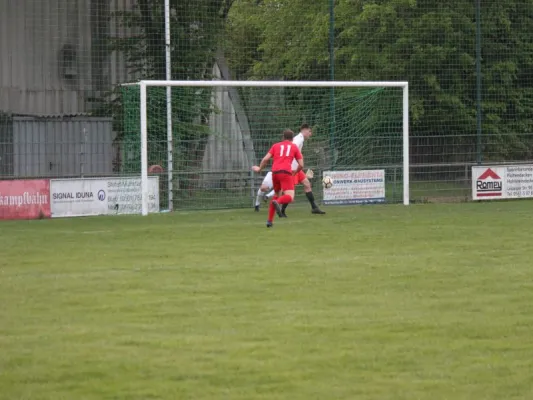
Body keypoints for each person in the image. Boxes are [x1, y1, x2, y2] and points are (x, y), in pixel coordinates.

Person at [254, 124, 325, 216]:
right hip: (291, 169)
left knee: (307, 184)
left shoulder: (300, 139)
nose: (310, 134)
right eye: (310, 132)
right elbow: (290, 150)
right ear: (305, 130)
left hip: (296, 168)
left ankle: (314, 207)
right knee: (289, 191)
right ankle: (281, 210)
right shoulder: (298, 139)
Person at [252, 129, 304, 228]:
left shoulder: (275, 146)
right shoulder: (294, 147)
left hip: (274, 173)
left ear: (283, 137)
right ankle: (278, 202)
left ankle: (269, 221)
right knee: (290, 196)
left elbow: (265, 159)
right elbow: (301, 164)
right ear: (292, 139)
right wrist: (295, 172)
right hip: (286, 173)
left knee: (276, 194)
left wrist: (259, 169)